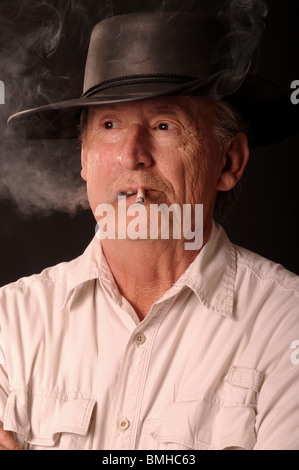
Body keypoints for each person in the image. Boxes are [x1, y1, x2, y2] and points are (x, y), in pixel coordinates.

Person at [0, 10, 298, 451]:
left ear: (229, 161)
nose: (131, 154)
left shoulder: (286, 324)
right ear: (84, 158)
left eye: (164, 125)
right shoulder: (11, 323)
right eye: (109, 125)